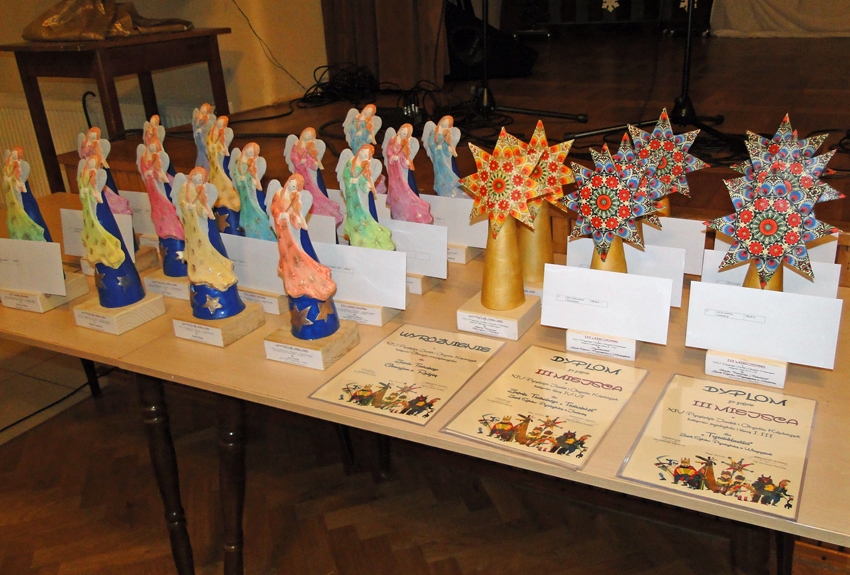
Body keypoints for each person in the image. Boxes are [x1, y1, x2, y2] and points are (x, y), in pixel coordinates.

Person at [340, 145, 395, 250]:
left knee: (364, 214)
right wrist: (351, 180)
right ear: (360, 151)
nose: (366, 156)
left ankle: (368, 237)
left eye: (368, 155)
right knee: (353, 215)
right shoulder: (350, 162)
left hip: (361, 197)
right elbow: (345, 175)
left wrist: (366, 183)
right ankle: (356, 235)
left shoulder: (366, 165)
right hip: (352, 195)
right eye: (364, 153)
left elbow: (366, 180)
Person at [287, 128, 343, 226]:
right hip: (298, 170)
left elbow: (312, 157)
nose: (307, 136)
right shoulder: (296, 145)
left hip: (306, 173)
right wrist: (299, 161)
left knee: (311, 188)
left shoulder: (310, 145)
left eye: (310, 136)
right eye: (306, 133)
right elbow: (293, 156)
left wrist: (311, 161)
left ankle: (317, 207)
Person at [383, 124, 433, 224]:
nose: (403, 133)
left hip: (400, 171)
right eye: (402, 130)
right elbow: (388, 152)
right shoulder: (392, 140)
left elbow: (405, 157)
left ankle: (410, 212)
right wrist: (392, 157)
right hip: (393, 170)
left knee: (404, 189)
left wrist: (404, 161)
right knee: (394, 190)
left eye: (405, 133)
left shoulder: (405, 143)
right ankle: (397, 213)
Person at [231, 143, 275, 240]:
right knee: (244, 207)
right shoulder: (237, 162)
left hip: (249, 190)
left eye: (252, 152)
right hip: (242, 190)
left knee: (254, 207)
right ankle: (246, 225)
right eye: (249, 149)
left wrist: (250, 179)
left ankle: (263, 230)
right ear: (245, 148)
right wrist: (239, 179)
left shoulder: (252, 163)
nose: (250, 152)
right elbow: (235, 173)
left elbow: (254, 175)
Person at [3, 148, 47, 242]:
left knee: (32, 220)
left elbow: (20, 182)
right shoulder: (9, 167)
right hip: (14, 201)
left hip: (24, 199)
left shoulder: (24, 165)